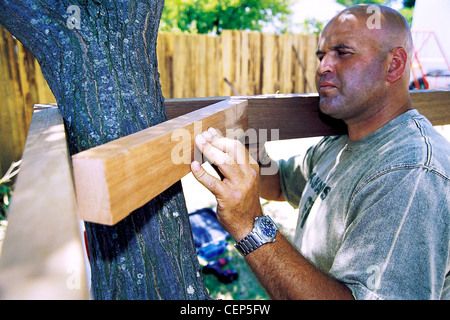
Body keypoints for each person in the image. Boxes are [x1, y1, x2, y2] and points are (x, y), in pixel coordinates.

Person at [190, 4, 450, 300]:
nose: (323, 66)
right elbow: (282, 184)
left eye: (342, 52)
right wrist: (252, 153)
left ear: (393, 65)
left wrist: (248, 224)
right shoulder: (342, 139)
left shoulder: (412, 173)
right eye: (321, 55)